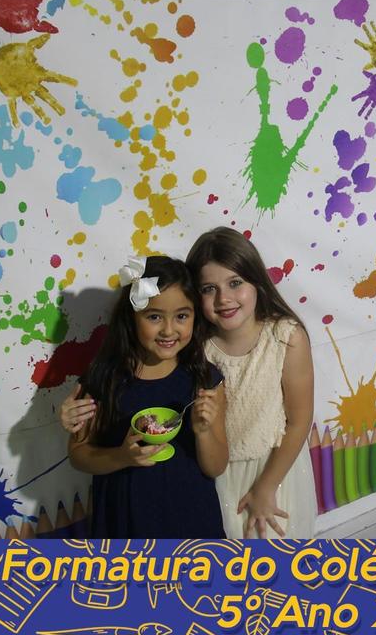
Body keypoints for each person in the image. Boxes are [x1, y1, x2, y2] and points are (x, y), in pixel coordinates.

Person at [63, 229, 318, 538]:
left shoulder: (211, 368)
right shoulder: (188, 353)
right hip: (148, 510)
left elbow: (296, 421)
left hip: (257, 480)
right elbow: (80, 449)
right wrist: (111, 448)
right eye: (209, 289)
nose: (169, 330)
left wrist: (263, 484)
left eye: (235, 283)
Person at [66, 255, 228, 537]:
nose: (169, 330)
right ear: (132, 317)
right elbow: (78, 455)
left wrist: (203, 432)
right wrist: (121, 457)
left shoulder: (205, 379)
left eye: (181, 316)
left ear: (194, 316)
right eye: (154, 317)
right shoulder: (104, 378)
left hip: (192, 523)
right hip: (125, 522)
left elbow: (216, 467)